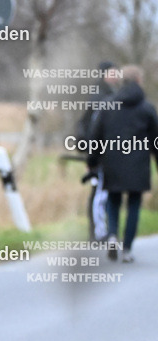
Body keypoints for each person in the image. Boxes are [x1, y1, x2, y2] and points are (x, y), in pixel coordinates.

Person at [88, 65, 158, 263]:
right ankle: (126, 249)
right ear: (139, 81)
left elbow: (96, 136)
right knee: (134, 203)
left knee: (113, 200)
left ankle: (112, 235)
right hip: (138, 164)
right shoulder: (147, 108)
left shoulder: (108, 105)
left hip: (113, 162)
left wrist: (92, 161)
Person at [76, 62, 120, 241]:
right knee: (99, 192)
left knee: (102, 191)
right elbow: (93, 129)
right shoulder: (100, 97)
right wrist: (92, 155)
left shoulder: (108, 94)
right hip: (100, 152)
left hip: (103, 152)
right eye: (113, 72)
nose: (116, 75)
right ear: (104, 74)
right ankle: (96, 232)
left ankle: (102, 230)